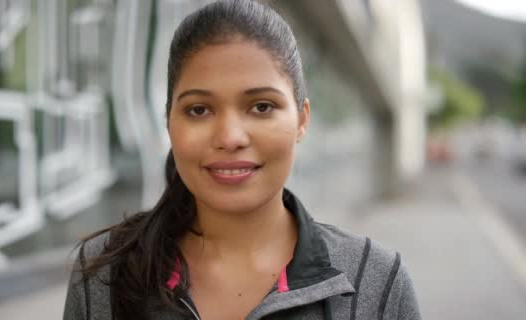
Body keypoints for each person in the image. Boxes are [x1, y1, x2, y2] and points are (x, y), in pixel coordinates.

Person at [63, 0, 421, 319]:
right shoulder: (104, 273)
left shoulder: (377, 283)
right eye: (199, 109)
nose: (230, 137)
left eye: (261, 106)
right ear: (168, 122)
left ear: (302, 120)